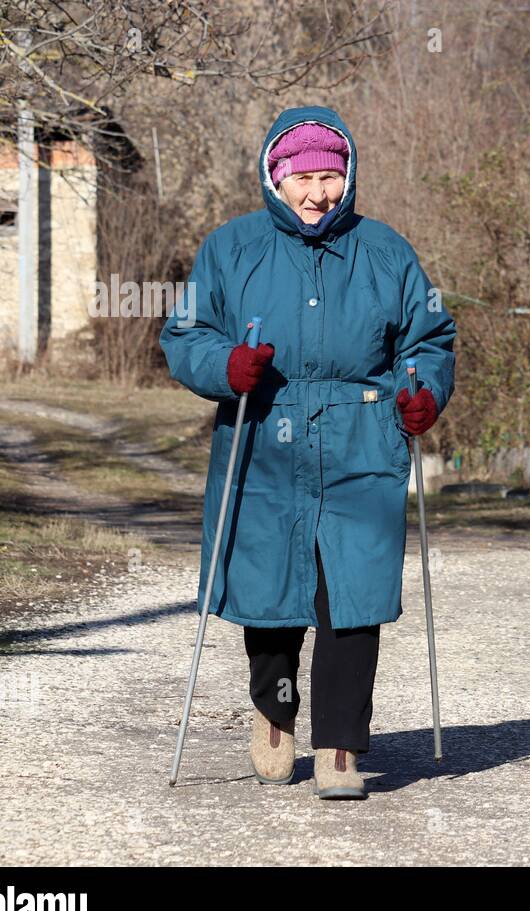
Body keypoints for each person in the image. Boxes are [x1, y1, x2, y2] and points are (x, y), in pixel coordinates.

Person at [159, 105, 456, 800]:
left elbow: (428, 338)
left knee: (351, 596)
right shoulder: (231, 249)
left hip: (362, 436)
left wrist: (420, 390)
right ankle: (273, 713)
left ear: (348, 176)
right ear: (276, 175)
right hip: (265, 435)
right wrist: (226, 366)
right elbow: (185, 334)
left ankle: (341, 745)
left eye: (332, 175)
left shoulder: (385, 251)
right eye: (305, 177)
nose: (319, 192)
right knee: (270, 591)